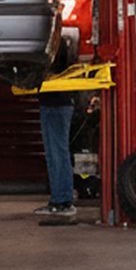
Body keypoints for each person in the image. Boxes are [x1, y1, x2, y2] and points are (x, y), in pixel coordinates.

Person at [35, 30, 79, 222]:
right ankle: (61, 199)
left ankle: (62, 202)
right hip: (54, 102)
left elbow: (53, 68)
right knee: (57, 153)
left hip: (56, 103)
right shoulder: (60, 41)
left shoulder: (56, 42)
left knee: (57, 154)